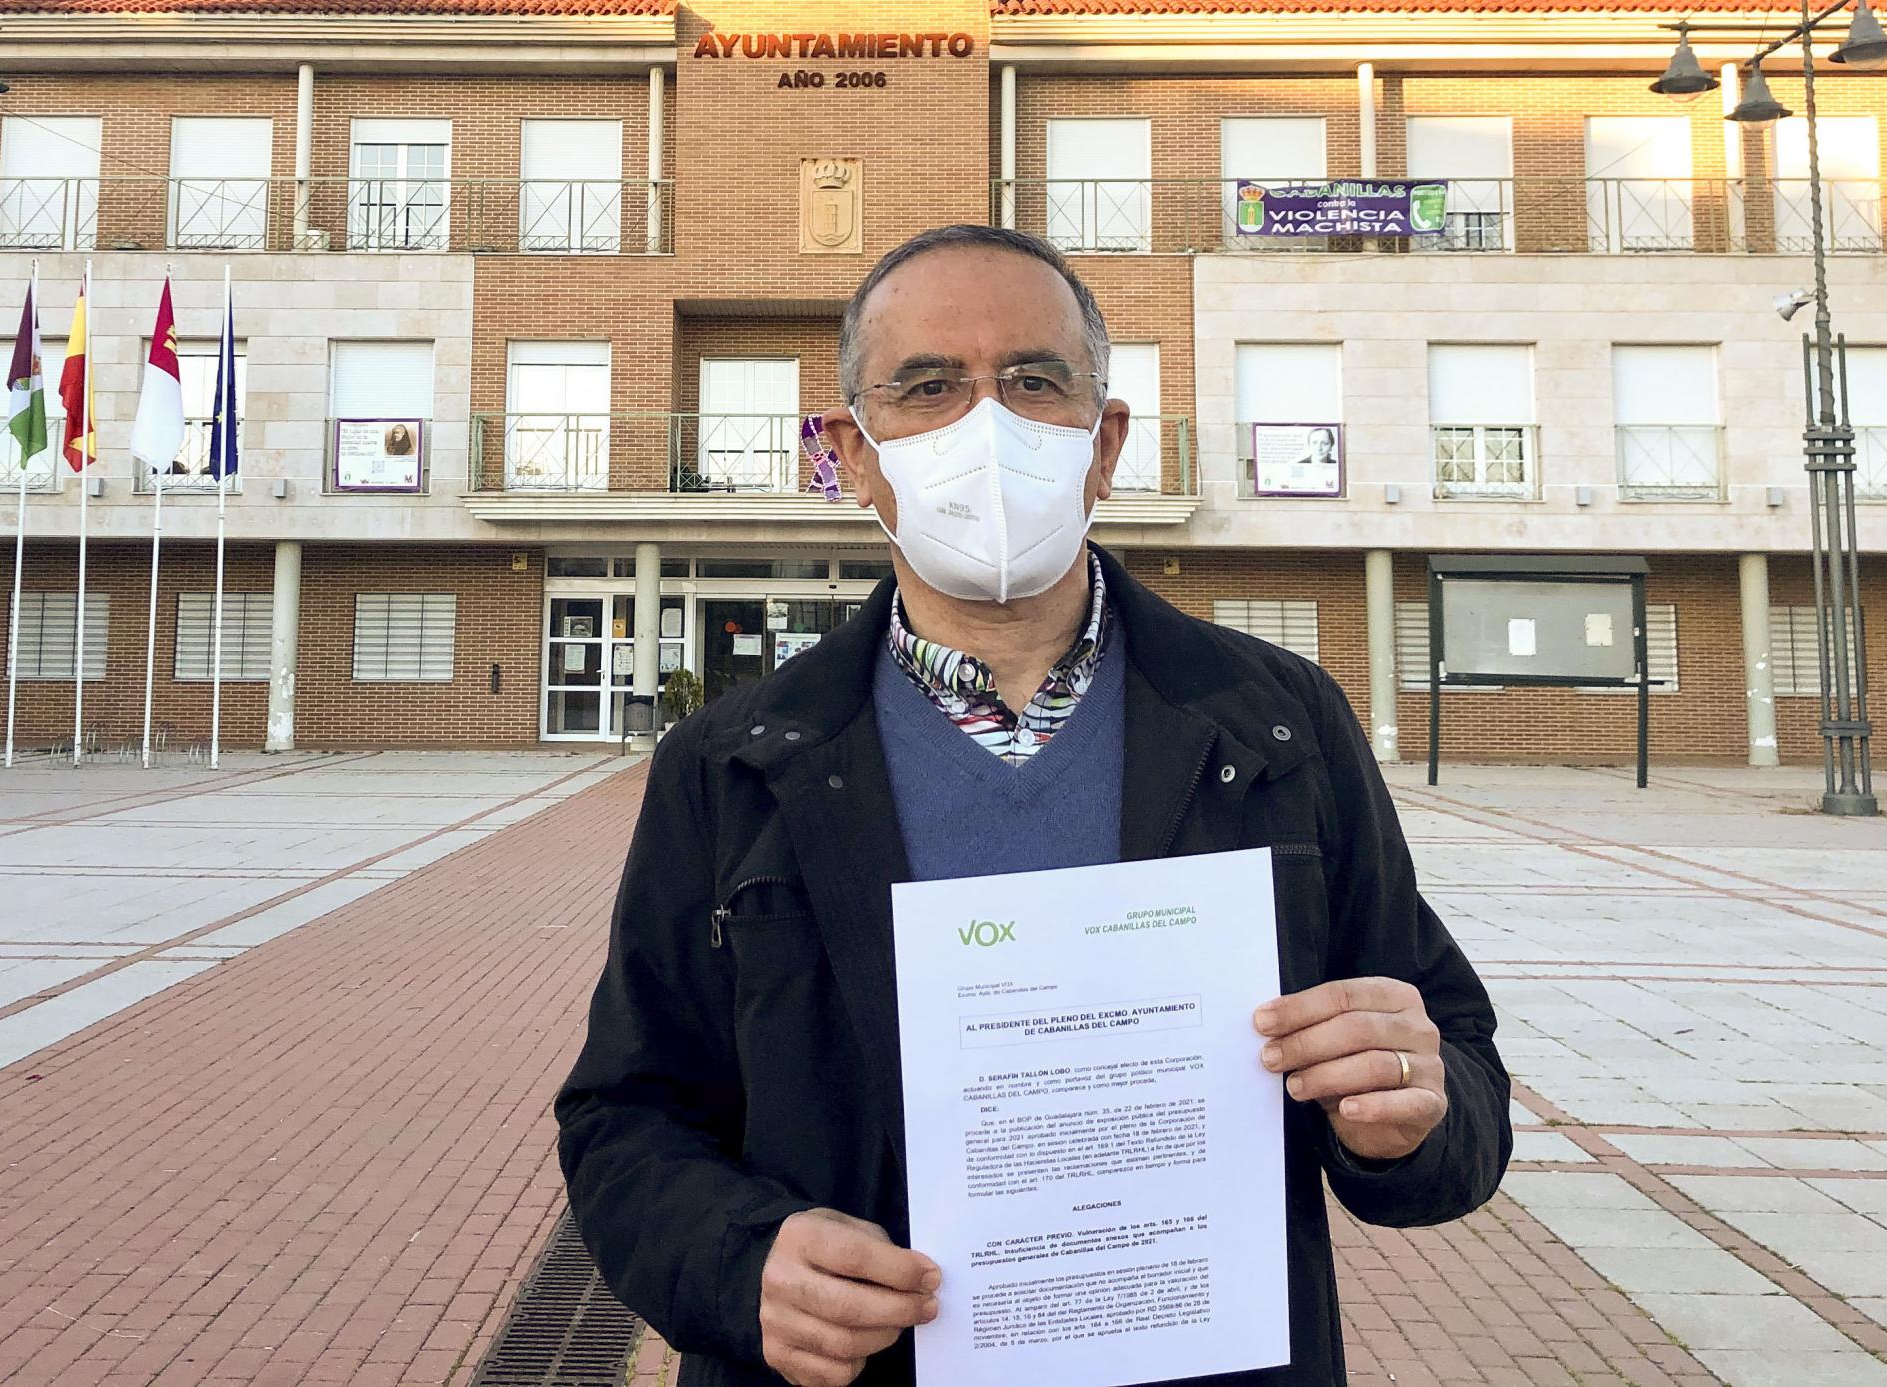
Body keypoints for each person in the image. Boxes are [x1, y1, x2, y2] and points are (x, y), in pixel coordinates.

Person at [556, 224, 1510, 1387]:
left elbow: (1449, 1056)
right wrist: (735, 1261)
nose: (986, 423)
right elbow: (625, 1116)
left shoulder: (1277, 725)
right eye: (926, 387)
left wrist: (1411, 1113)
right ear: (851, 456)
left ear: (1104, 445)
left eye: (1032, 380)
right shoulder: (729, 764)